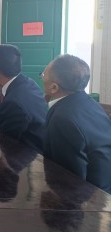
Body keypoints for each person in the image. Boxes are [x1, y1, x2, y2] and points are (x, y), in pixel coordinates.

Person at [41, 54, 111, 193]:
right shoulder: (90, 102)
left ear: (54, 87)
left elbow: (70, 178)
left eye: (43, 75)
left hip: (94, 197)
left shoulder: (62, 118)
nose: (42, 78)